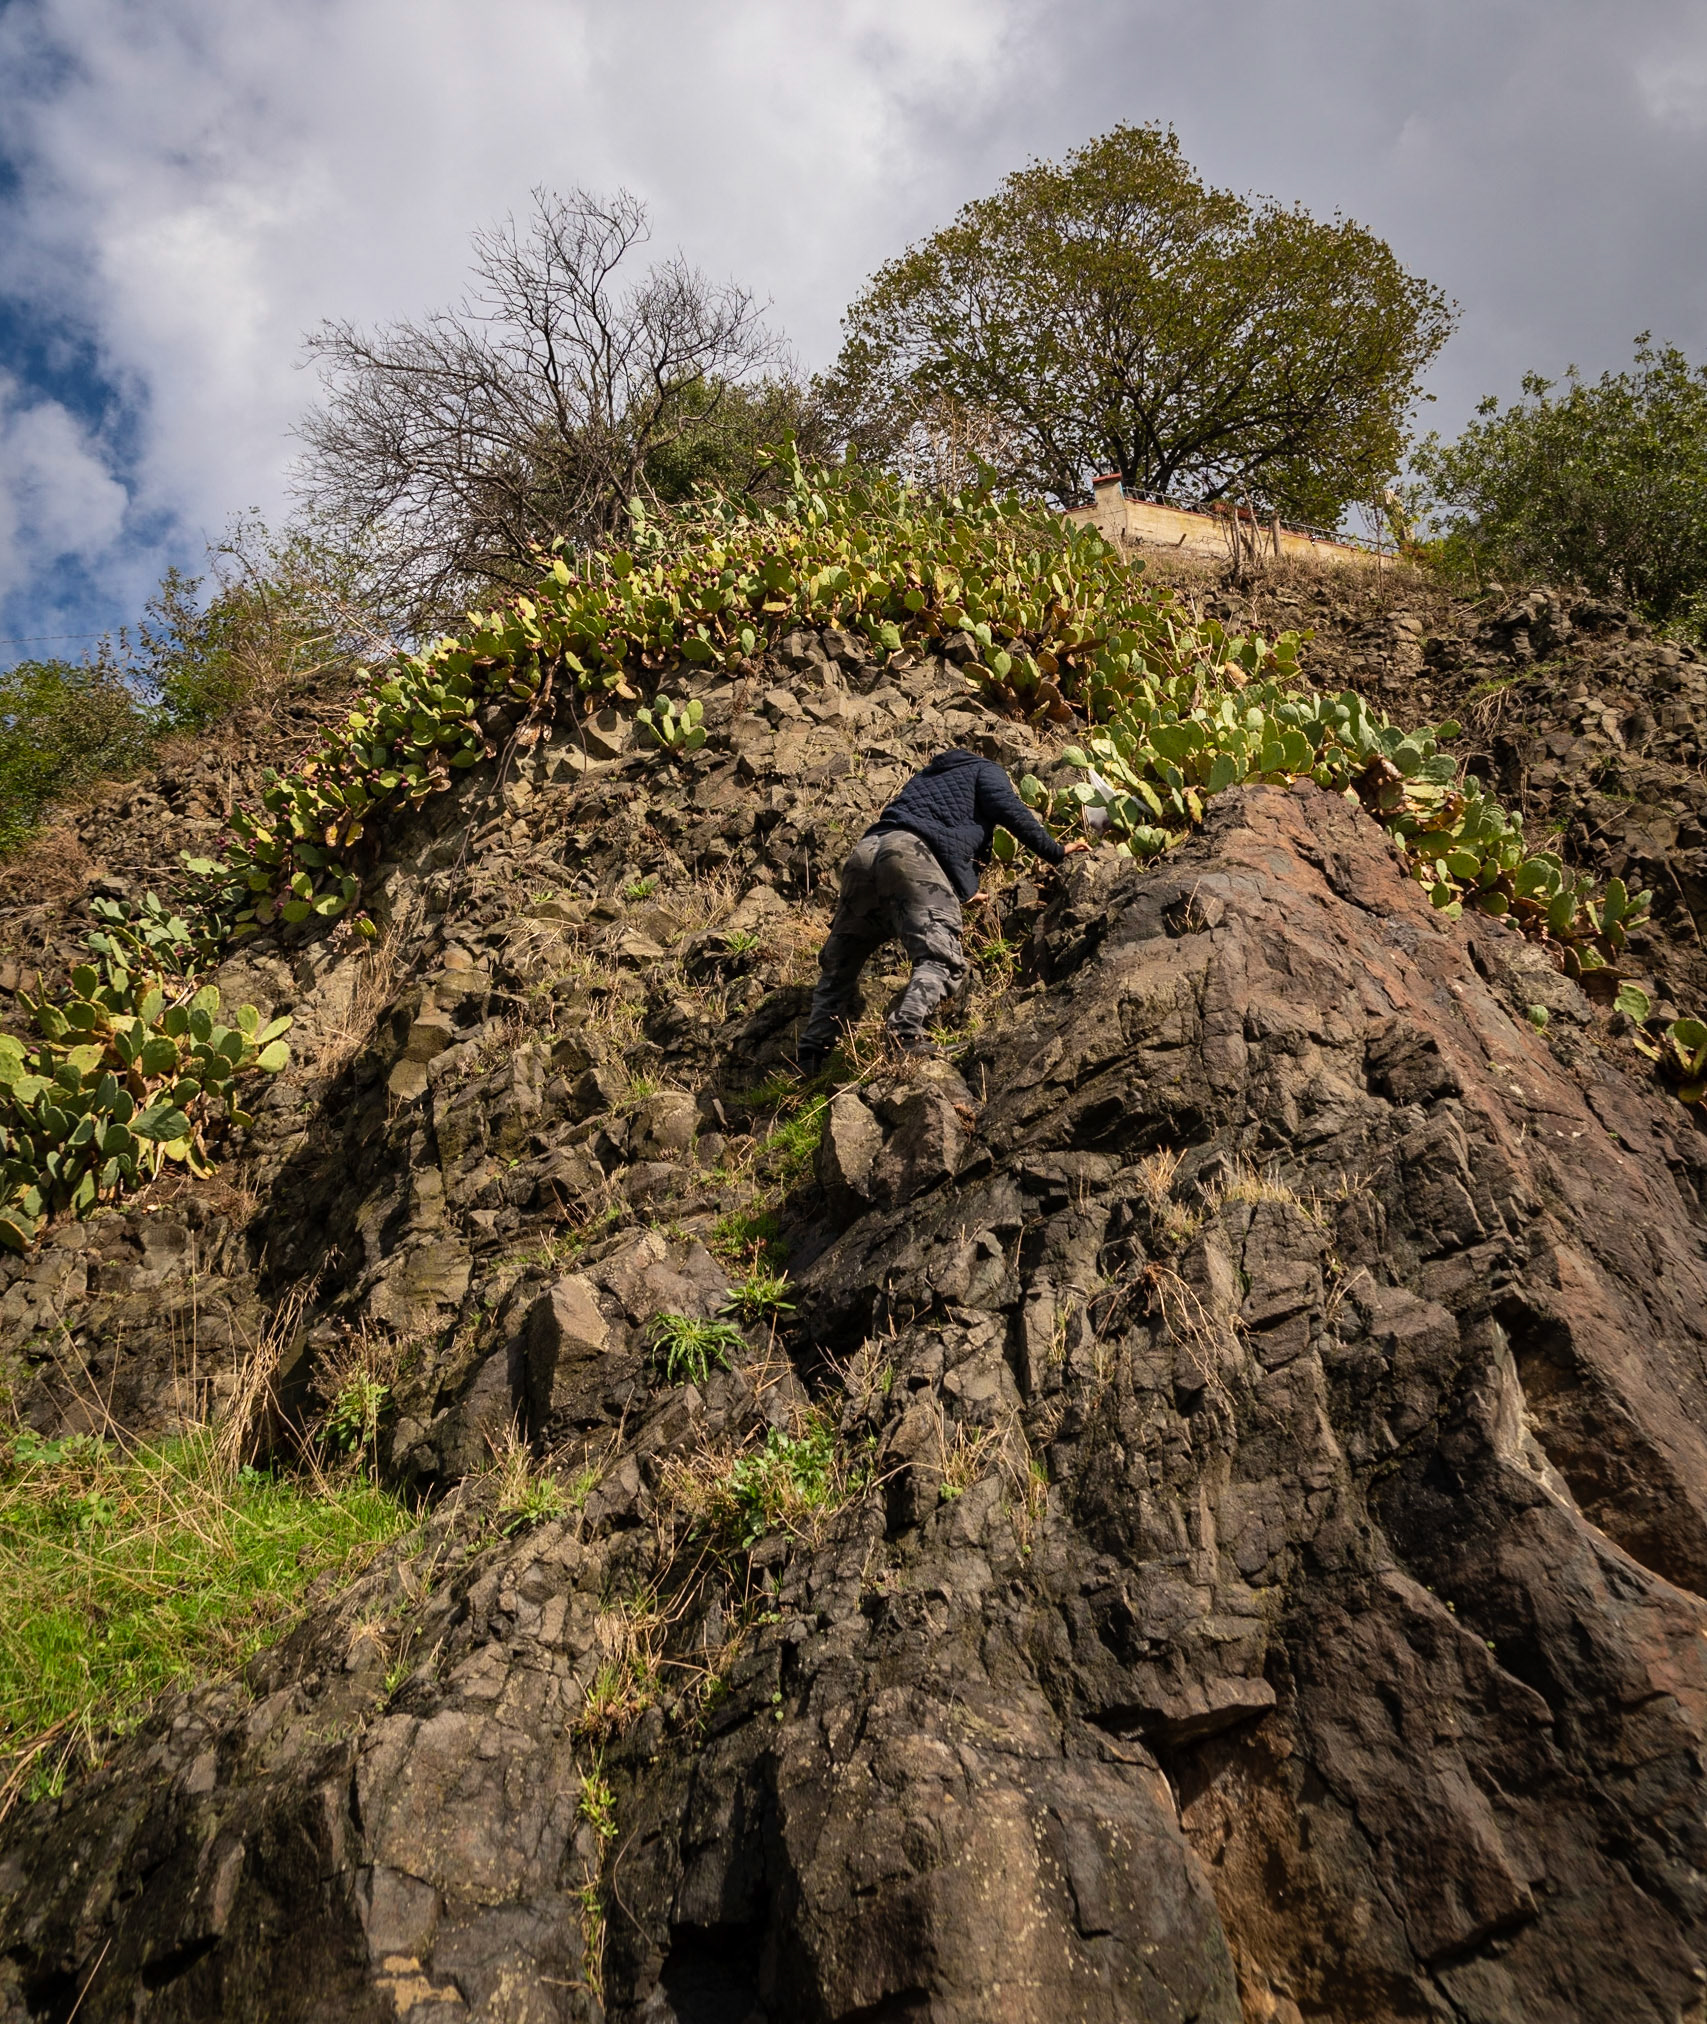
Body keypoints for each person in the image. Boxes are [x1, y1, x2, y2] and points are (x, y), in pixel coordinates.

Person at [796, 747, 1090, 1074]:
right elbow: (1010, 810)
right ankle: (904, 1035)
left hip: (865, 853)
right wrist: (1056, 850)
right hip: (909, 853)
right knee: (940, 957)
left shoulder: (926, 777)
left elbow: (941, 833)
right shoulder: (986, 769)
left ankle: (811, 1056)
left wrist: (962, 892)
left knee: (841, 962)